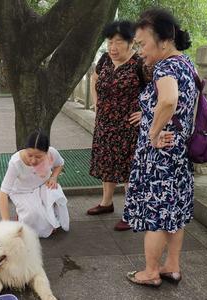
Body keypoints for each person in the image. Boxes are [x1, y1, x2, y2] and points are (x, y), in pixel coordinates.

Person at [123, 8, 196, 287]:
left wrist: (153, 133)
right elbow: (178, 105)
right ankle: (172, 267)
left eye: (143, 44)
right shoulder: (186, 63)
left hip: (159, 157)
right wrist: (149, 114)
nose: (140, 51)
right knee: (174, 212)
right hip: (178, 154)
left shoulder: (165, 66)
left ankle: (150, 271)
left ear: (164, 40)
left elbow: (169, 101)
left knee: (154, 215)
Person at [86, 20, 145, 231]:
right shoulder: (104, 60)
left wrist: (146, 112)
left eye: (119, 42)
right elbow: (94, 78)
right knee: (107, 164)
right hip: (105, 124)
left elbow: (159, 90)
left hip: (129, 128)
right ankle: (106, 203)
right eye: (110, 41)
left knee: (129, 170)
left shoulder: (140, 64)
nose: (113, 47)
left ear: (131, 43)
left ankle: (131, 212)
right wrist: (96, 102)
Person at [0, 131, 69, 238]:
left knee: (56, 196)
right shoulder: (16, 162)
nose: (33, 160)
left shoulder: (52, 153)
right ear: (25, 149)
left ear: (46, 152)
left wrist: (53, 177)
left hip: (43, 185)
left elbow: (60, 164)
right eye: (29, 155)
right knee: (32, 215)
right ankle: (24, 215)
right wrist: (6, 224)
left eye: (39, 156)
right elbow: (3, 193)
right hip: (21, 191)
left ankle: (50, 218)